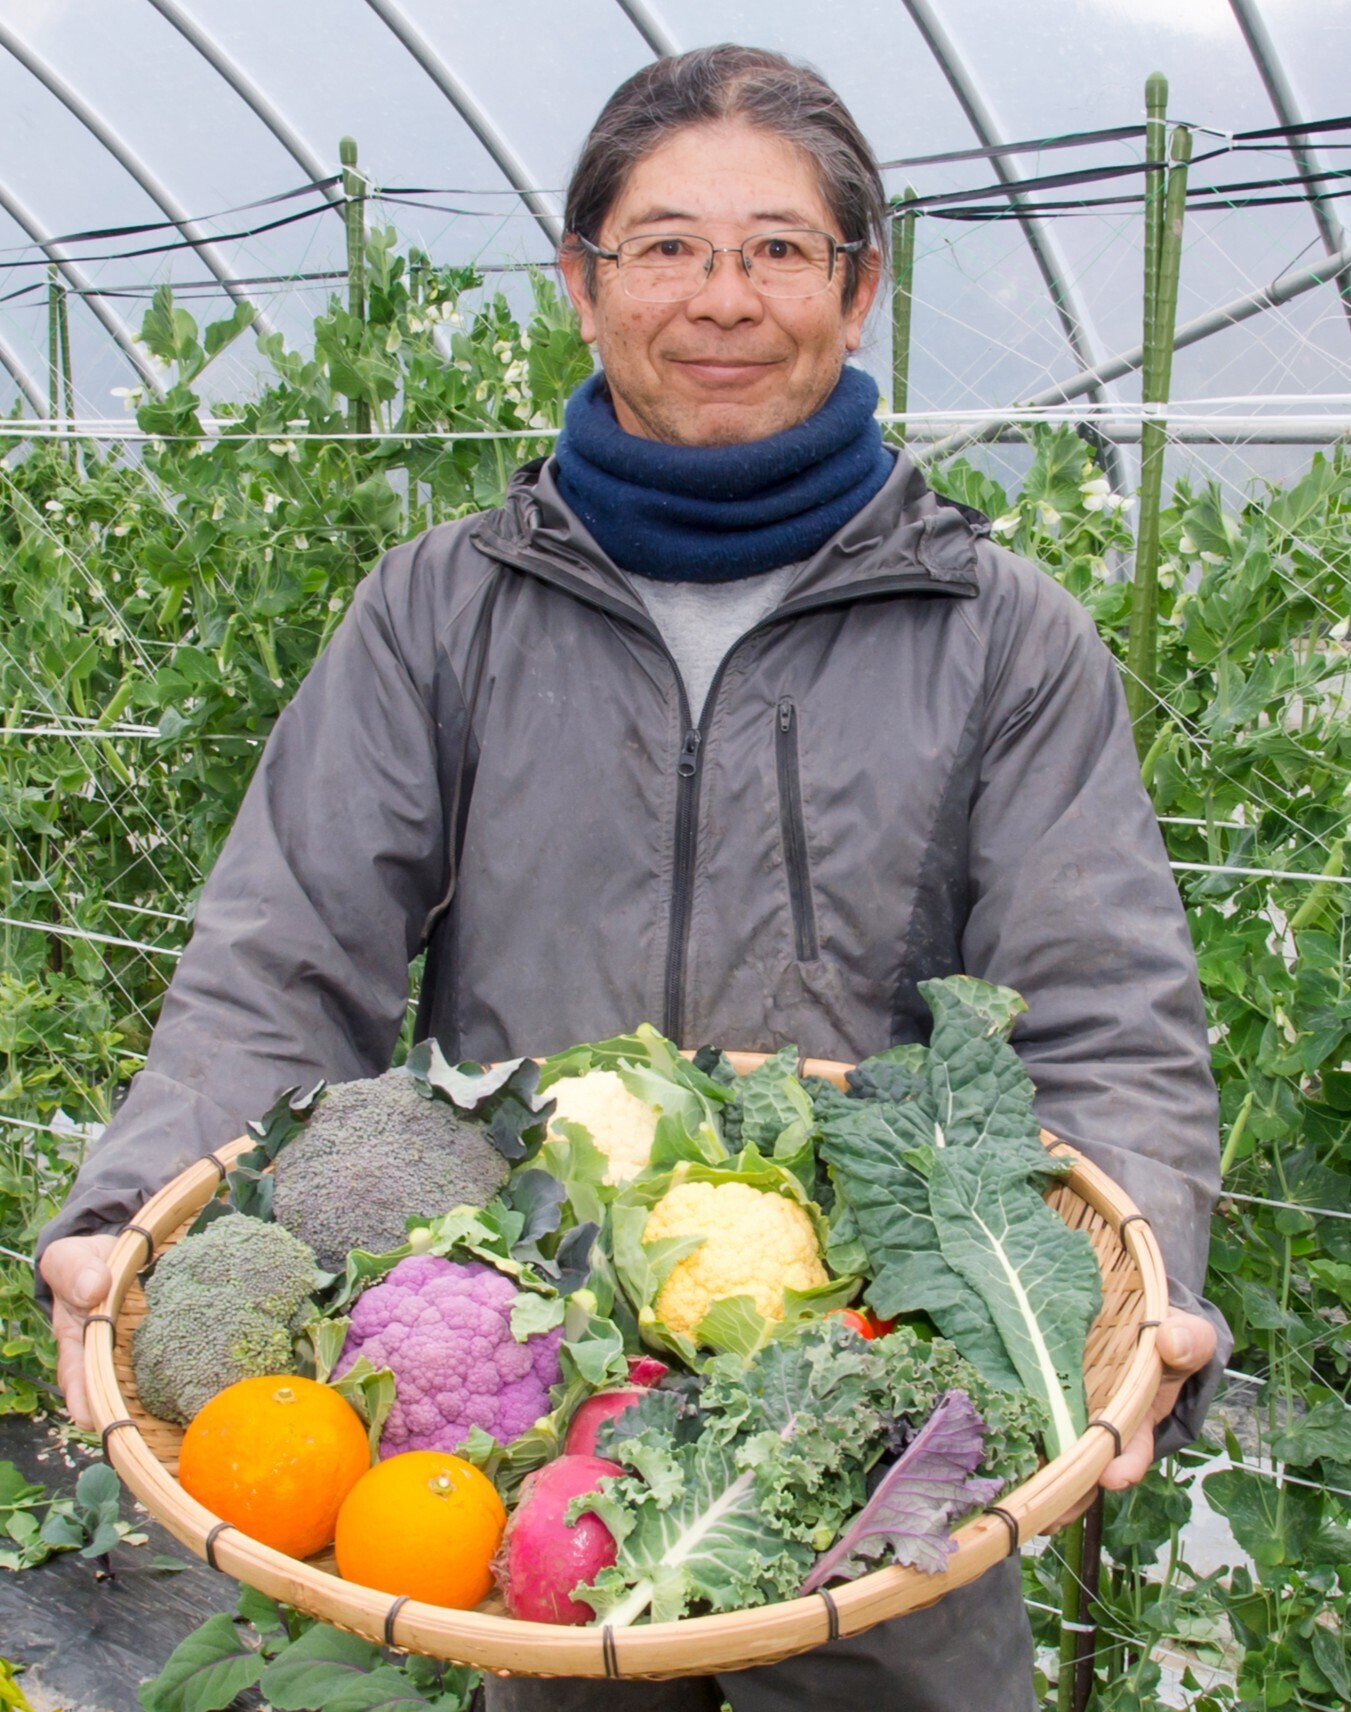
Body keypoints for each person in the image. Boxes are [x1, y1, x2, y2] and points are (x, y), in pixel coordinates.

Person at [38, 43, 1226, 1712]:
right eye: (666, 246)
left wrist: (1133, 1296)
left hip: (893, 1416)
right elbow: (279, 955)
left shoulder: (1000, 636)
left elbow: (1108, 1019)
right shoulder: (439, 611)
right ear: (582, 283)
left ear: (859, 288)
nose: (722, 297)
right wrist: (127, 1216)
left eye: (778, 248)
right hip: (544, 1432)